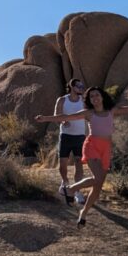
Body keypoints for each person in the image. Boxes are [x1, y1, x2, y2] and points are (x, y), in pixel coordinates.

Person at [35, 86, 128, 226]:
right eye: (91, 96)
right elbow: (66, 117)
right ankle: (70, 189)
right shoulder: (89, 113)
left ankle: (83, 213)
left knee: (98, 185)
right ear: (89, 100)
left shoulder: (111, 111)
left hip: (106, 149)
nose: (94, 98)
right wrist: (46, 118)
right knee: (97, 178)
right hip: (92, 146)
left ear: (102, 97)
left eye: (97, 95)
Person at [54, 78, 87, 206]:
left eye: (82, 86)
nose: (81, 88)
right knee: (63, 164)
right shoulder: (62, 100)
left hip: (80, 136)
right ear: (72, 87)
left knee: (79, 163)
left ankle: (77, 191)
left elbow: (89, 114)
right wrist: (63, 121)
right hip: (66, 136)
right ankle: (65, 183)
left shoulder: (83, 100)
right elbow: (57, 115)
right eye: (79, 86)